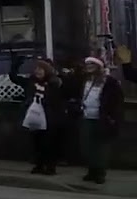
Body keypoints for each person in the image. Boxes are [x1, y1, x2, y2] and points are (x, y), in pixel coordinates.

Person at [66, 56, 122, 185]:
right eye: (88, 64)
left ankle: (100, 172)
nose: (89, 66)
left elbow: (116, 101)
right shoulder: (84, 80)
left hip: (102, 119)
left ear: (99, 67)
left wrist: (112, 117)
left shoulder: (109, 82)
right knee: (87, 146)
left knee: (101, 147)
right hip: (86, 116)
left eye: (92, 64)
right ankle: (91, 170)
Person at [9, 55, 66, 175]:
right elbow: (14, 77)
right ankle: (39, 164)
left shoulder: (54, 83)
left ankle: (50, 166)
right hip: (34, 116)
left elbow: (59, 101)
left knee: (49, 143)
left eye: (41, 69)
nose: (38, 71)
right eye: (36, 69)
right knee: (36, 142)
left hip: (49, 117)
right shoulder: (31, 82)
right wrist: (16, 64)